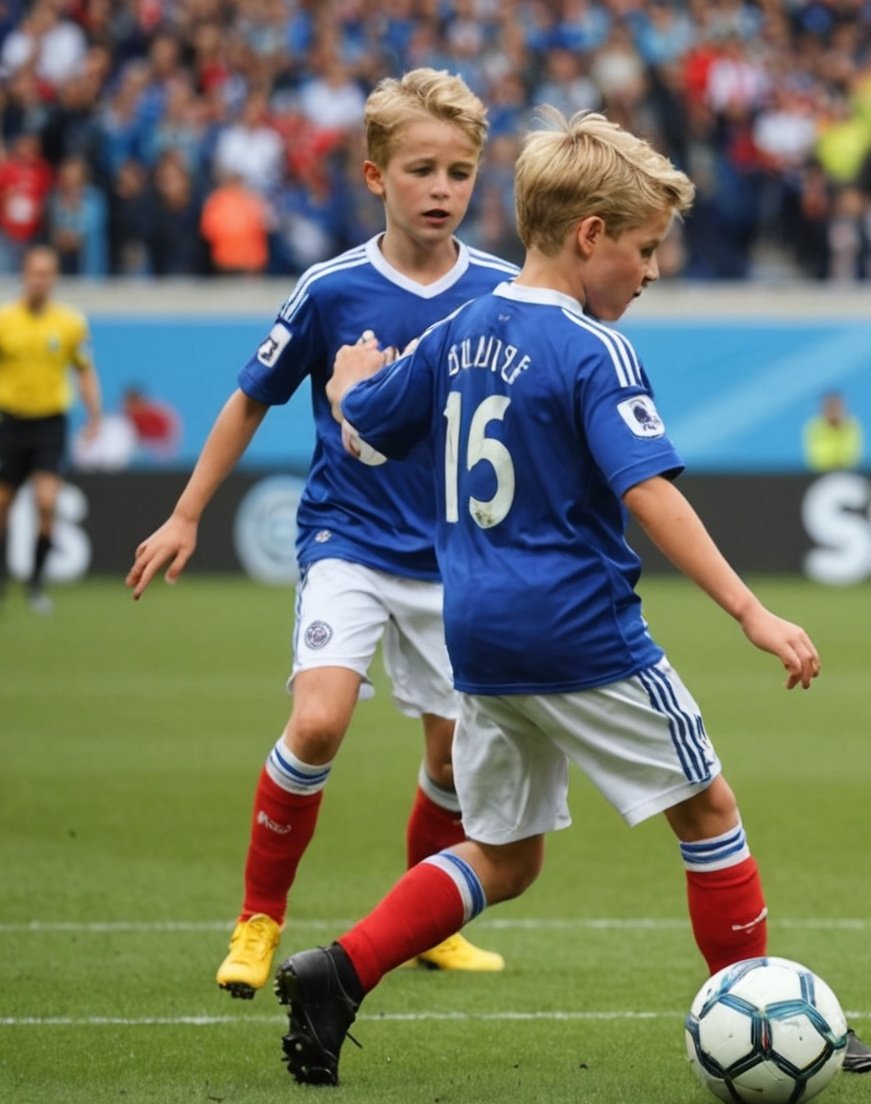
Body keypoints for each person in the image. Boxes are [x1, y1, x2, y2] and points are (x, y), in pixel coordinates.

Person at [280, 109, 871, 1086]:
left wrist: (349, 389)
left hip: (478, 638)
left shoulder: (457, 329)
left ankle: (339, 971)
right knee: (708, 811)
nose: (652, 272)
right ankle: (763, 1008)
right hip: (578, 631)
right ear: (590, 235)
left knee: (505, 856)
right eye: (644, 249)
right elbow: (649, 492)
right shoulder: (592, 350)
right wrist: (751, 612)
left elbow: (373, 426)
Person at [126, 69, 521, 997]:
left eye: (459, 172)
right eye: (421, 169)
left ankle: (431, 925)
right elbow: (250, 399)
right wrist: (186, 512)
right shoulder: (331, 289)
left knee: (450, 757)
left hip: (455, 560)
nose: (441, 190)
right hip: (349, 541)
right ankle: (258, 920)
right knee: (317, 723)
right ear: (375, 175)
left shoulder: (503, 292)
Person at [0, 244, 101, 614]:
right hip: (10, 422)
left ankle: (36, 584)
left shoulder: (70, 323)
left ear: (54, 278)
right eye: (34, 273)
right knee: (2, 504)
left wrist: (94, 416)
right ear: (24, 275)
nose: (39, 280)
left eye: (46, 274)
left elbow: (84, 371)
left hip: (49, 424)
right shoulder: (5, 320)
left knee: (46, 502)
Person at [803, 390, 863, 472]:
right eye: (830, 407)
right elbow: (817, 459)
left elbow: (852, 457)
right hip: (820, 474)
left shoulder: (852, 425)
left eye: (837, 407)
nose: (833, 411)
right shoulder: (814, 426)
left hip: (848, 473)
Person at [123, 384, 183, 463]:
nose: (130, 407)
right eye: (128, 404)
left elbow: (169, 438)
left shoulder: (157, 416)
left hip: (159, 453)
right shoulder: (125, 417)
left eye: (132, 404)